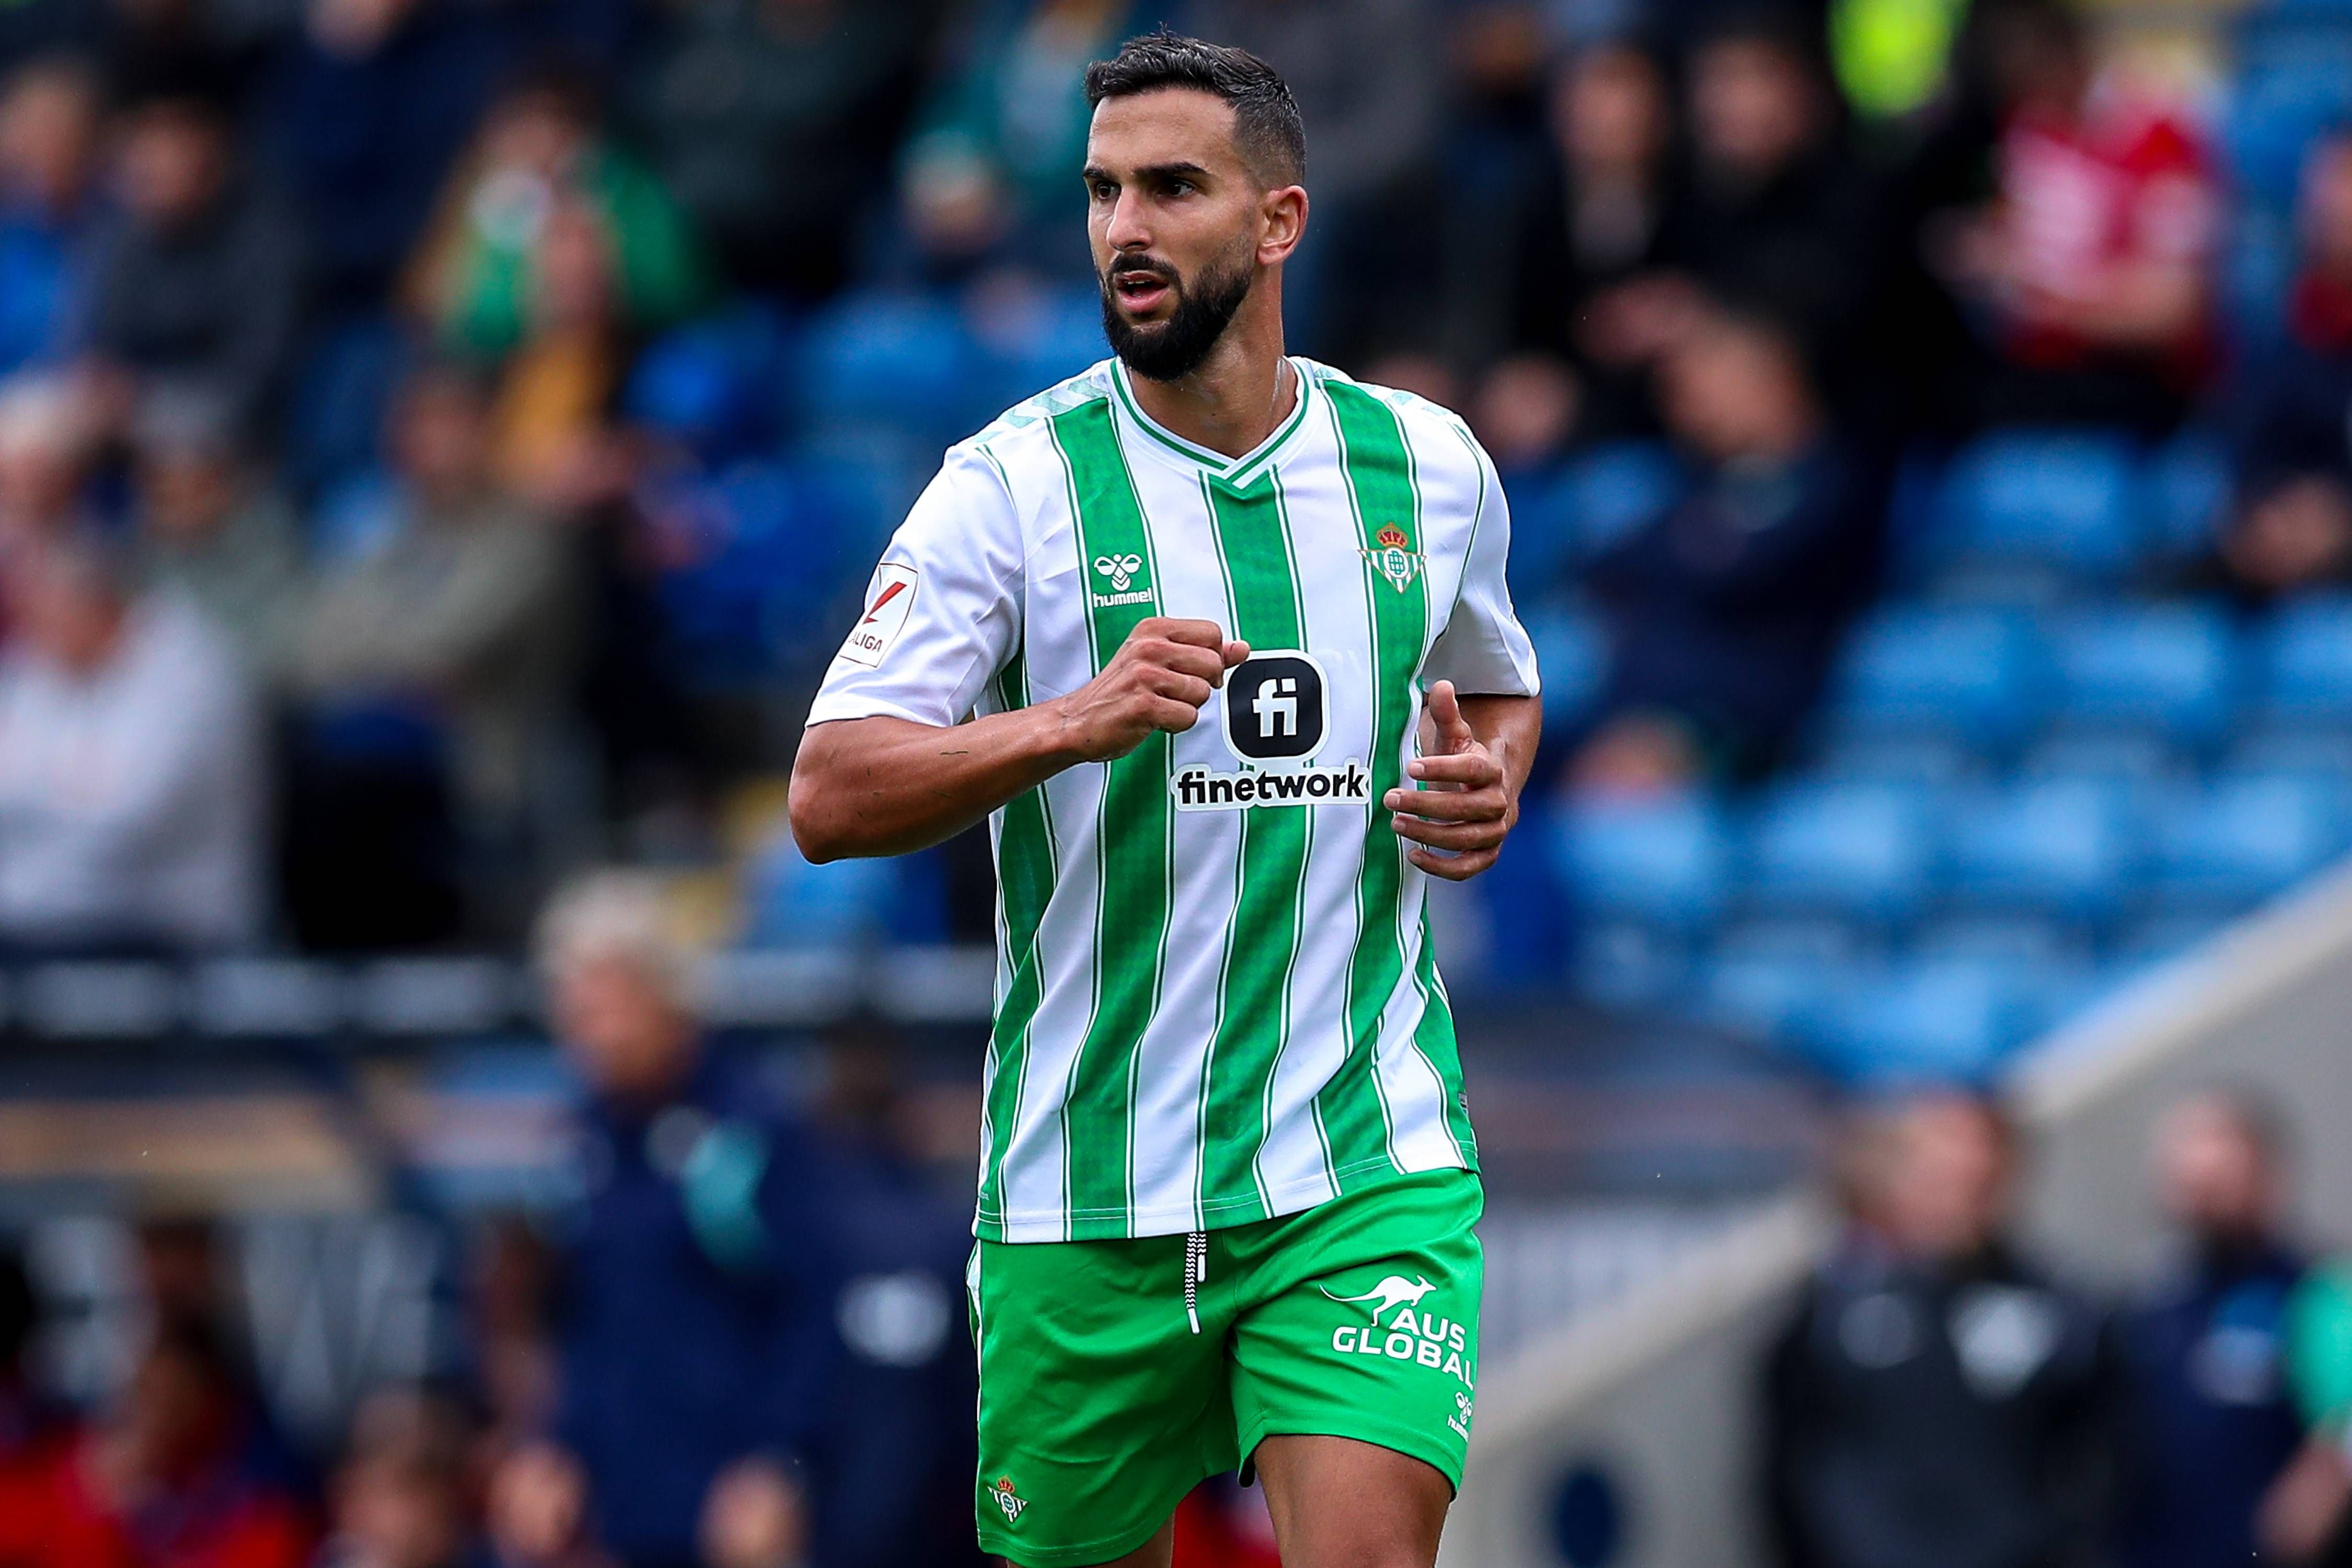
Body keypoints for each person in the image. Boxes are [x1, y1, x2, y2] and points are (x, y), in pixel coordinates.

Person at [789, 31, 1542, 1568]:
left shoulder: (1428, 467)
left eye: (1174, 187)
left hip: (1356, 1160)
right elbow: (829, 788)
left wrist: (1487, 782)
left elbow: (1498, 681)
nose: (1126, 227)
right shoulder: (1010, 488)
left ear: (1278, 222)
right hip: (1083, 1188)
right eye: (1102, 191)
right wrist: (1069, 722)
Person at [520, 872, 834, 1568]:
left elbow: (810, 1308)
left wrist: (779, 1466)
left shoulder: (750, 1127)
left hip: (734, 1510)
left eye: (603, 1007)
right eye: (572, 1011)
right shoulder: (583, 1141)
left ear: (664, 995)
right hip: (615, 1511)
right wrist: (551, 1448)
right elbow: (575, 1320)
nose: (585, 1034)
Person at [1762, 1091, 2117, 1568]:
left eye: (1980, 1166)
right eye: (1940, 1164)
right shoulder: (1831, 1312)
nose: (1961, 1176)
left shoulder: (2058, 1306)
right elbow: (1796, 1466)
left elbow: (2099, 1453)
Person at [1574, 308, 1881, 785]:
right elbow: (1613, 566)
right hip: (1632, 712)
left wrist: (1697, 552)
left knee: (1623, 784)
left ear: (1774, 380)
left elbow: (1739, 571)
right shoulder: (1697, 485)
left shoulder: (1833, 485)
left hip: (1751, 728)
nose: (1687, 412)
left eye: (1703, 391)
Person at [0, 531, 266, 953]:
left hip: (167, 928)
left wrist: (31, 822)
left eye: (45, 610)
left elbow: (128, 826)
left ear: (98, 603)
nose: (34, 631)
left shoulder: (192, 671)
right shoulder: (44, 660)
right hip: (39, 918)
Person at [2114, 1091, 2308, 1568]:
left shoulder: (2315, 1296)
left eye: (2220, 1169)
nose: (2203, 1186)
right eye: (2189, 1174)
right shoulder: (2144, 1306)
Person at [77, 93, 303, 439]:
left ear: (212, 167)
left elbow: (259, 373)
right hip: (132, 401)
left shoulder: (268, 241)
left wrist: (147, 395)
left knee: (187, 436)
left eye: (171, 166)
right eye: (146, 169)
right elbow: (95, 341)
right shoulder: (122, 235)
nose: (155, 179)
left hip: (225, 407)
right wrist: (104, 385)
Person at [2211, 132, 2352, 602]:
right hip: (2279, 560)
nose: (2332, 203)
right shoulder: (2283, 331)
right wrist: (2267, 519)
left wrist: (2342, 519)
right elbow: (2249, 452)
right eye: (2323, 183)